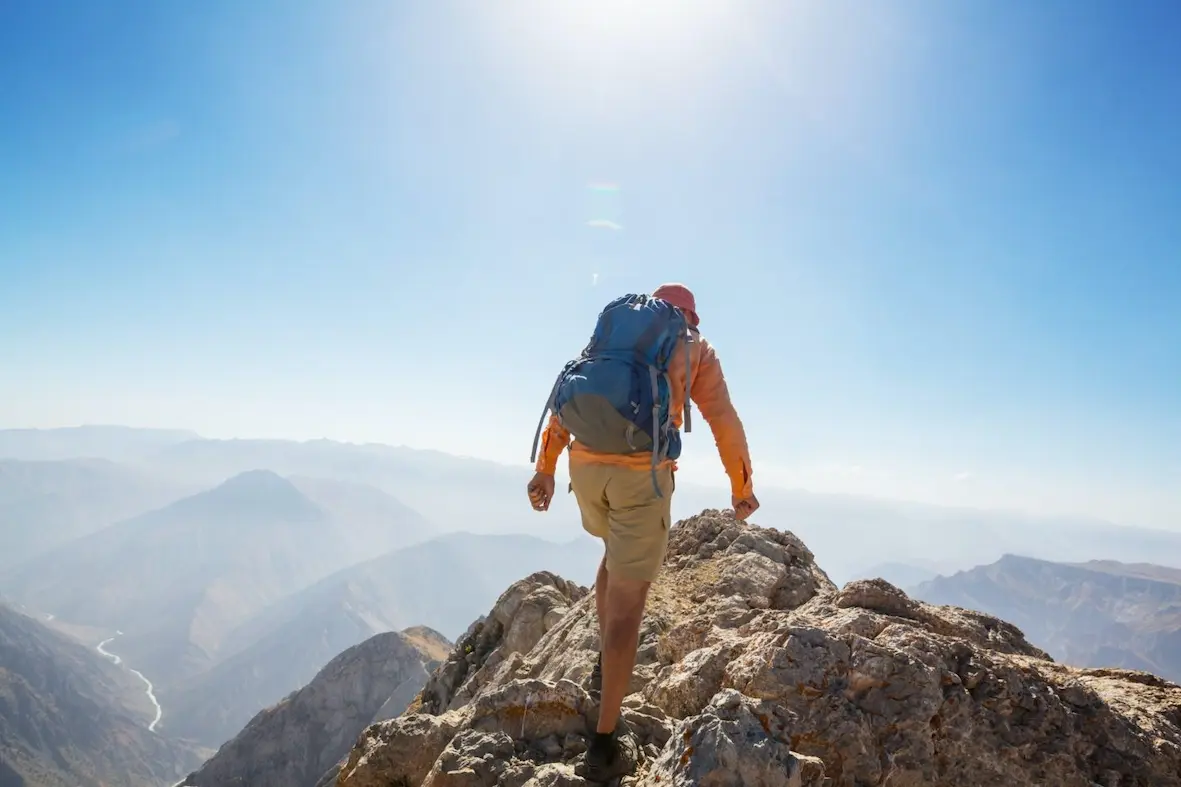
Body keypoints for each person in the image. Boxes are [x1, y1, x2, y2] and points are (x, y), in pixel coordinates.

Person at [527, 282, 758, 781]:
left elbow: (578, 394)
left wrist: (545, 467)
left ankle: (602, 666)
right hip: (641, 477)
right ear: (691, 319)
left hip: (584, 470)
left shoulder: (618, 337)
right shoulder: (696, 348)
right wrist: (742, 486)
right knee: (629, 611)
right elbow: (724, 421)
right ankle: (605, 745)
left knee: (613, 552)